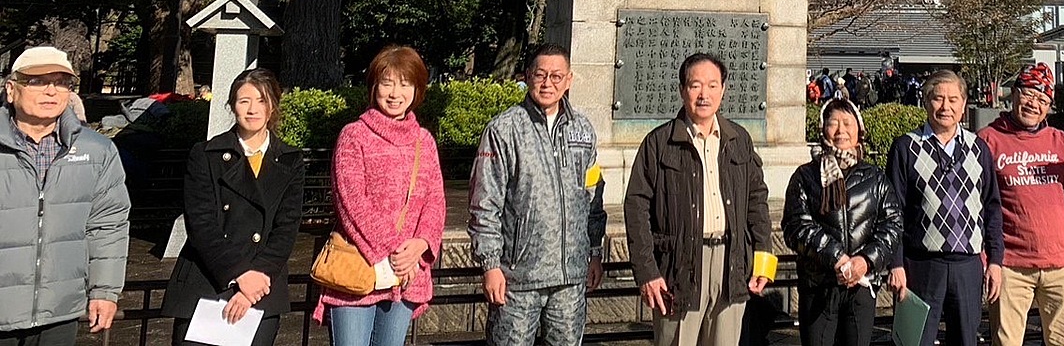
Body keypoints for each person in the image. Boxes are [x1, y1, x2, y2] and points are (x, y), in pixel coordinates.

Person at [624, 53, 776, 346]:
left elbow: (757, 202)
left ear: (723, 90)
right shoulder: (659, 143)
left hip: (731, 266)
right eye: (695, 86)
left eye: (712, 85)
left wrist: (764, 262)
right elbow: (636, 207)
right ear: (682, 90)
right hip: (678, 269)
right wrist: (646, 272)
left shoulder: (739, 139)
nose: (704, 94)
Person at [469, 44, 607, 346]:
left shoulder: (582, 130)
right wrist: (491, 264)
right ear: (528, 76)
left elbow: (593, 196)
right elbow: (484, 202)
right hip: (517, 278)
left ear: (569, 80)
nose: (548, 84)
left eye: (557, 76)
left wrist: (594, 251)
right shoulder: (503, 129)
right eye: (541, 75)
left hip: (570, 279)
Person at [315, 46, 447, 346]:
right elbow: (351, 203)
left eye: (405, 83)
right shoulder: (354, 135)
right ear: (374, 86)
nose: (395, 92)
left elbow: (435, 201)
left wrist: (422, 244)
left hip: (405, 275)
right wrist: (398, 251)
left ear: (417, 89)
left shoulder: (423, 141)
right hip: (358, 271)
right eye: (387, 82)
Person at [0, 45, 130, 346]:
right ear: (11, 89)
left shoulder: (97, 150)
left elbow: (108, 225)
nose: (51, 91)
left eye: (61, 82)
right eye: (37, 81)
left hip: (59, 311)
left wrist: (105, 291)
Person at [164, 69, 305, 346]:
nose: (253, 109)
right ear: (231, 106)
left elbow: (286, 228)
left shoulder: (290, 161)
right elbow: (201, 224)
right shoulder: (206, 155)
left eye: (261, 100)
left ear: (274, 105)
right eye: (244, 101)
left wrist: (253, 285)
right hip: (208, 281)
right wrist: (239, 274)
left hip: (262, 287)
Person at [977, 62, 1064, 346]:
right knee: (1007, 342)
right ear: (1013, 94)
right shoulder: (988, 140)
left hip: (1060, 262)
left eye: (1043, 99)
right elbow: (975, 202)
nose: (1033, 104)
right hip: (1010, 264)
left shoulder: (1058, 140)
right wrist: (987, 259)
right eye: (1028, 94)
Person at [886, 69, 1004, 346]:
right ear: (926, 102)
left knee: (966, 339)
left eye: (953, 99)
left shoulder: (979, 148)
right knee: (914, 341)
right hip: (921, 265)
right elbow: (893, 212)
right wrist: (896, 263)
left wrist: (996, 260)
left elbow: (991, 207)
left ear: (964, 105)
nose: (945, 106)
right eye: (938, 98)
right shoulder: (905, 147)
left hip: (968, 266)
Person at [781, 98, 903, 346]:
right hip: (819, 286)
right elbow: (796, 226)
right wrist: (836, 257)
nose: (841, 131)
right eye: (833, 123)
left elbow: (892, 224)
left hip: (861, 285)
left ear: (859, 129)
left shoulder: (875, 177)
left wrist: (866, 260)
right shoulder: (806, 176)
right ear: (823, 129)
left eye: (848, 123)